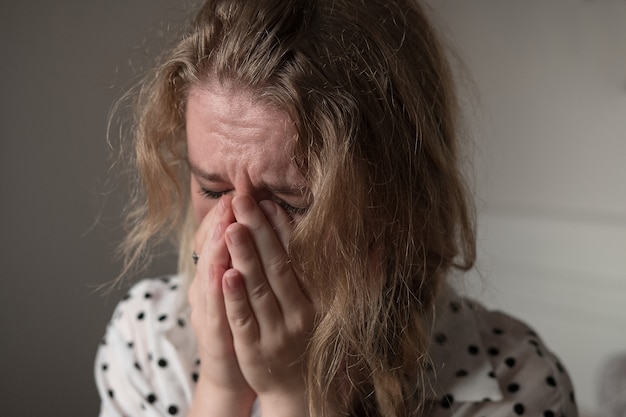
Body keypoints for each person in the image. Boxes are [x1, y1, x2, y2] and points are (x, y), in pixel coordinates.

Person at [95, 0, 578, 416]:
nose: (238, 232)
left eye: (290, 201)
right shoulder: (147, 339)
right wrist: (222, 388)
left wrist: (294, 393)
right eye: (214, 189)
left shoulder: (516, 381)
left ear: (397, 203)